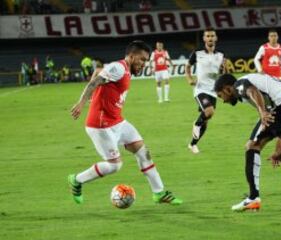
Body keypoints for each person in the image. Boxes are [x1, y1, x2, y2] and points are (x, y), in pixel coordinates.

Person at [68, 40, 182, 205]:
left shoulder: (125, 69)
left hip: (117, 121)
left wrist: (94, 97)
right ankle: (77, 180)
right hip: (100, 125)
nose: (143, 64)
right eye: (142, 59)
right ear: (131, 56)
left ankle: (159, 193)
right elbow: (94, 82)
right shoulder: (119, 68)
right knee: (115, 166)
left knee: (143, 152)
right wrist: (82, 102)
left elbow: (99, 71)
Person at [214, 73, 281, 212]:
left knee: (252, 146)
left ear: (227, 89)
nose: (223, 100)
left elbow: (252, 91)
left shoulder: (238, 84)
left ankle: (253, 197)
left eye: (220, 95)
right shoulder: (255, 80)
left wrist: (262, 111)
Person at [185, 27, 227, 154]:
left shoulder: (221, 55)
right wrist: (189, 79)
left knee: (206, 121)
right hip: (200, 89)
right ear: (204, 38)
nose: (210, 38)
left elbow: (224, 72)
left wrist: (224, 71)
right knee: (209, 111)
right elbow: (187, 66)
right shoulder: (197, 53)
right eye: (207, 36)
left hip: (214, 90)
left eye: (212, 36)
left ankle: (192, 144)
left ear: (216, 38)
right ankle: (196, 124)